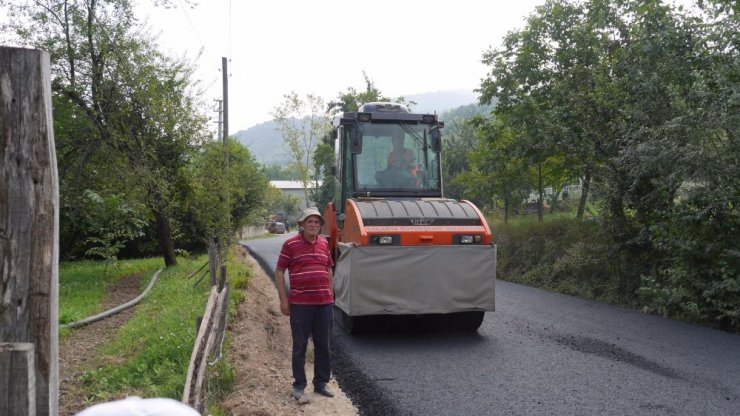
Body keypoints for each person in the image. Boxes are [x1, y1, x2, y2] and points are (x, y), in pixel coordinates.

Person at [275, 207, 335, 402]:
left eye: (317, 222)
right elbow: (279, 271)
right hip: (300, 304)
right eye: (309, 221)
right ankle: (299, 385)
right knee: (300, 345)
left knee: (323, 345)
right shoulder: (290, 245)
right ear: (301, 224)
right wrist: (284, 300)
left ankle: (320, 383)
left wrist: (330, 293)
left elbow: (328, 269)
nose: (313, 225)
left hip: (324, 304)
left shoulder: (324, 243)